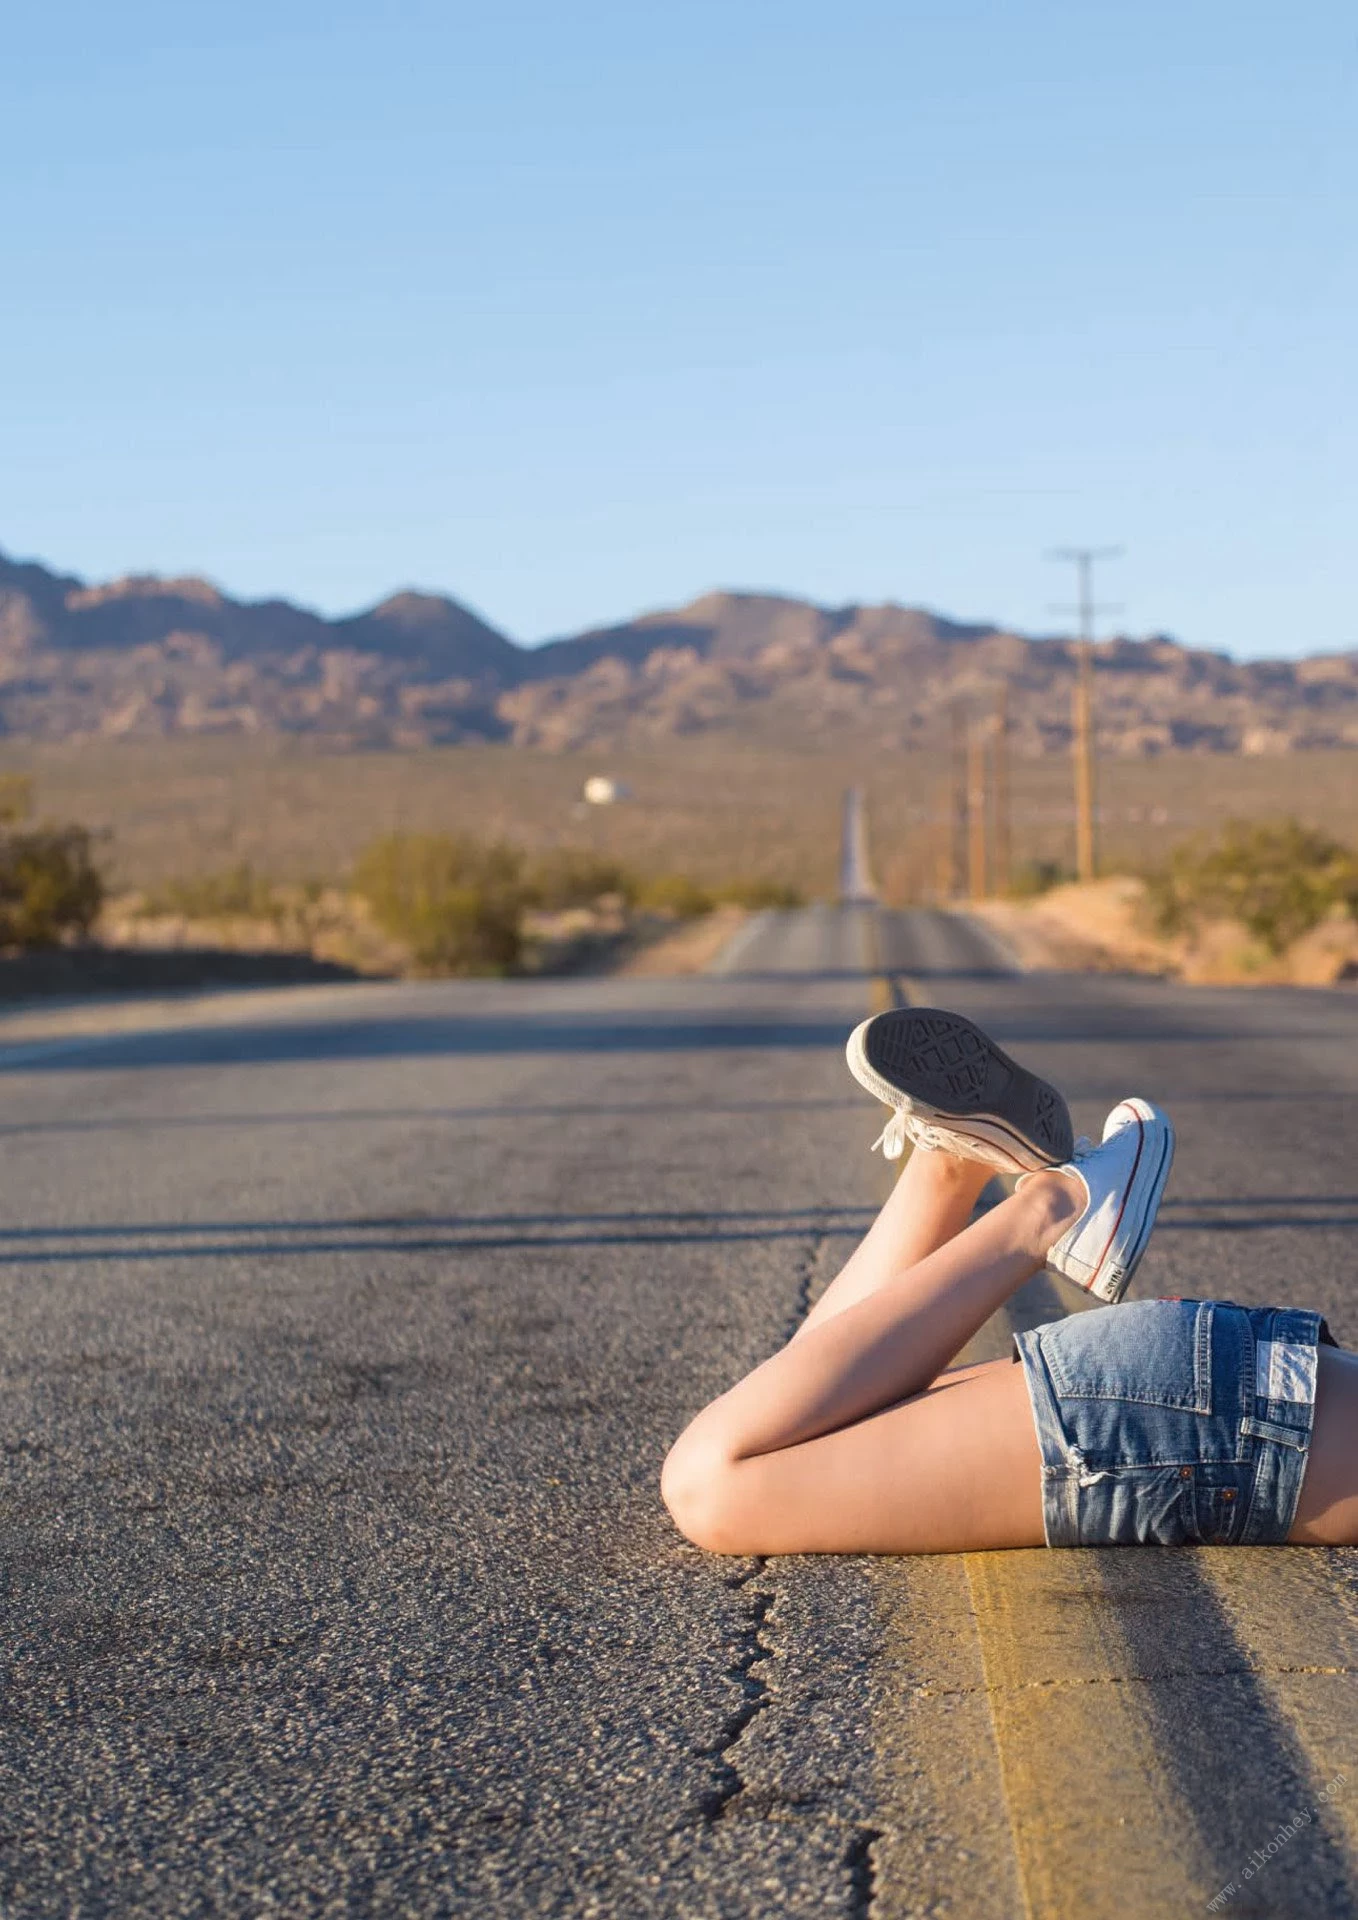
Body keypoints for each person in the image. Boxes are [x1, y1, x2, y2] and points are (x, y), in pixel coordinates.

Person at [661, 1007, 1358, 1555]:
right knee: (713, 1483)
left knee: (787, 1432)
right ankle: (1057, 1205)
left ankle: (954, 1166)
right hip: (1215, 1421)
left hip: (1222, 1404)